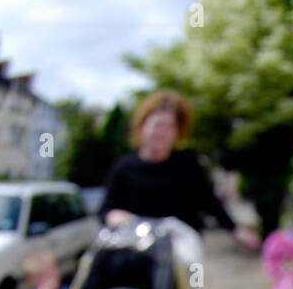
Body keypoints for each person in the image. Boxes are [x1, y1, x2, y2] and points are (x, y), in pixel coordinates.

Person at [100, 89, 262, 251]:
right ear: (143, 126)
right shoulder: (123, 168)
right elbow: (106, 209)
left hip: (183, 250)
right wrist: (114, 216)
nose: (162, 132)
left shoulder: (188, 165)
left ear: (178, 132)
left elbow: (209, 201)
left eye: (169, 127)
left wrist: (236, 230)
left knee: (195, 275)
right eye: (157, 125)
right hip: (137, 249)